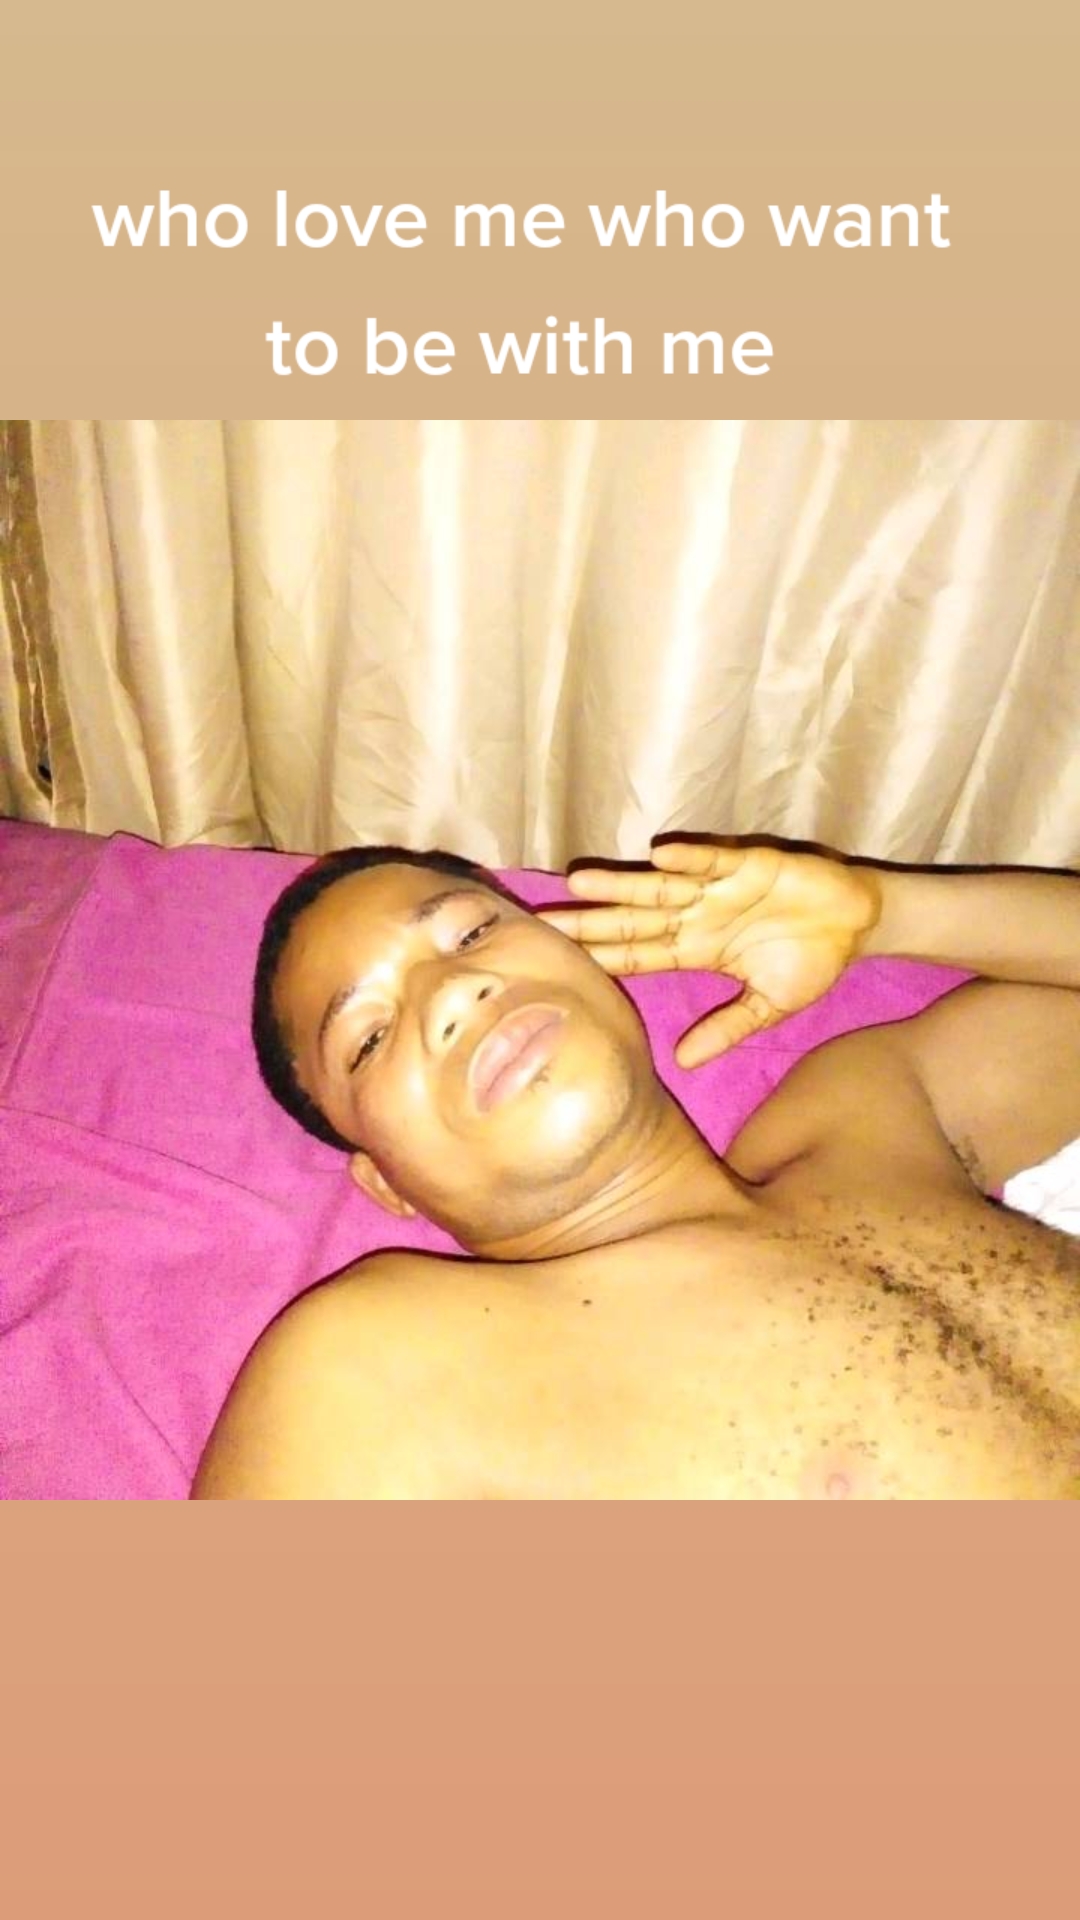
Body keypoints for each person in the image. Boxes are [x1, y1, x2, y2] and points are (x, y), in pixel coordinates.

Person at [192, 837, 1080, 1499]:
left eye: (472, 932)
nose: (451, 990)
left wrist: (888, 914)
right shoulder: (376, 1367)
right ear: (386, 1181)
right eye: (369, 1037)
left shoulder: (858, 1121)